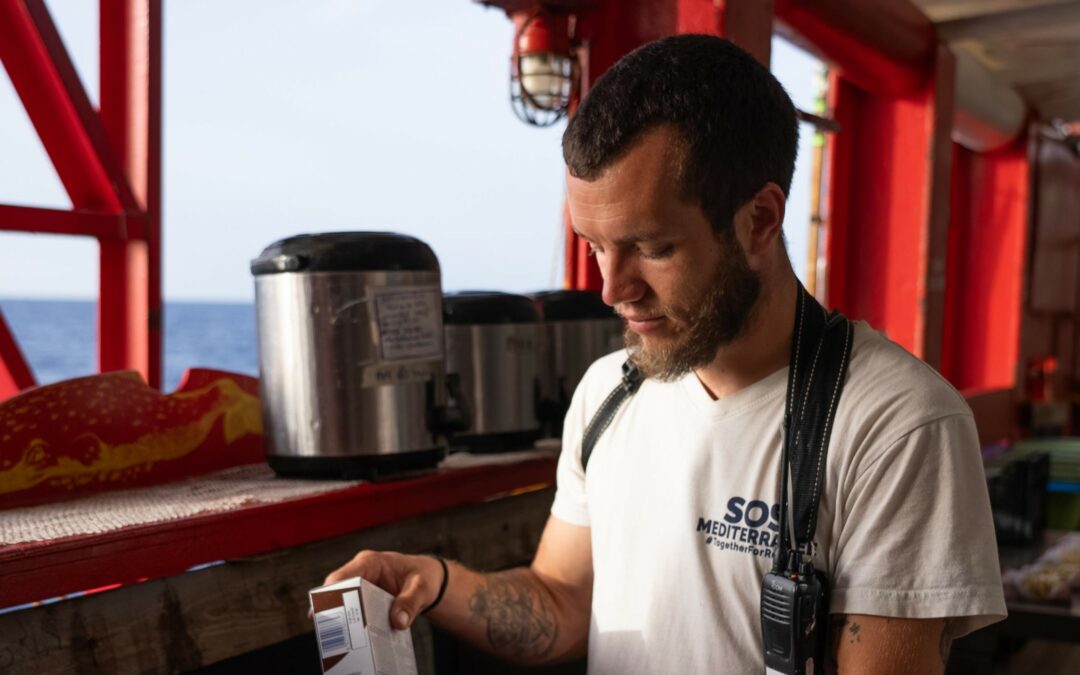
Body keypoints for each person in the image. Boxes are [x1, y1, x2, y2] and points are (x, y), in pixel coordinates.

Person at [323, 34, 1006, 673]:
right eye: (595, 244)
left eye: (651, 248)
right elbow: (563, 599)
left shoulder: (897, 425)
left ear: (759, 221)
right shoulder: (606, 392)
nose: (611, 289)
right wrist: (433, 582)